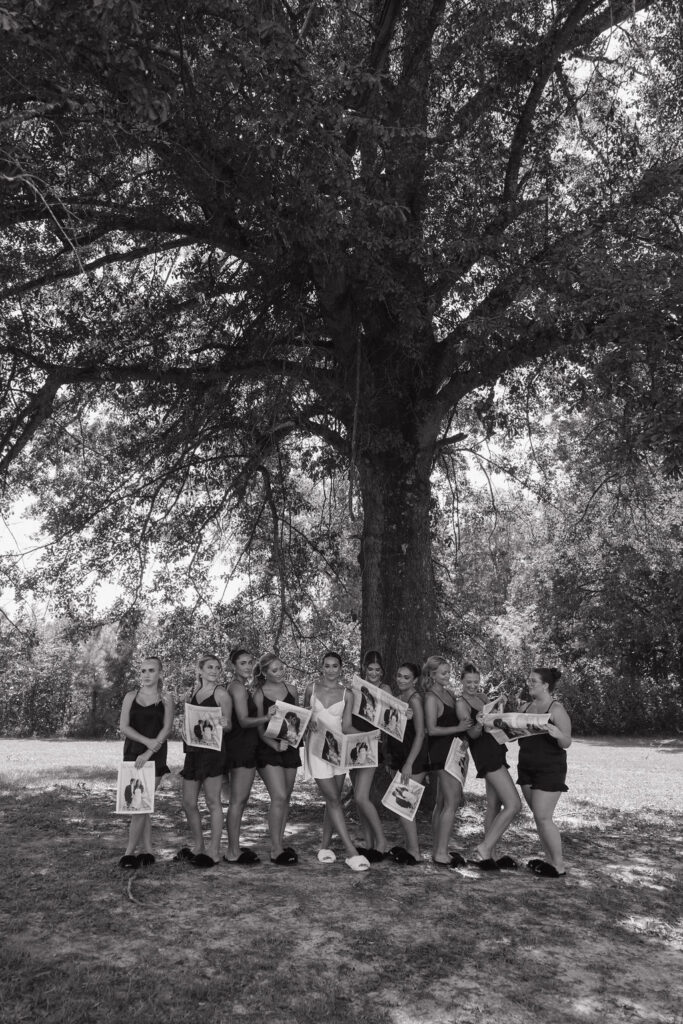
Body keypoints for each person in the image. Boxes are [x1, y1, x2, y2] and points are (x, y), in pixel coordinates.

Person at [303, 651, 371, 871]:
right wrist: (308, 722)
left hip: (339, 750)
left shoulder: (347, 694)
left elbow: (347, 726)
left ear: (341, 668)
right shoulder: (310, 689)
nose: (331, 670)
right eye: (327, 666)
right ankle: (351, 851)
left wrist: (368, 736)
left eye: (335, 666)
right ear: (321, 667)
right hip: (316, 749)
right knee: (333, 798)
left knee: (334, 801)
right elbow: (302, 717)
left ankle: (324, 847)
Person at [457, 662, 521, 871]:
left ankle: (490, 856)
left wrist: (501, 711)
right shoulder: (462, 703)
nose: (473, 686)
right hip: (485, 754)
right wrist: (478, 722)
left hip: (497, 749)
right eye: (469, 682)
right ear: (461, 681)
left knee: (495, 805)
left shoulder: (483, 697)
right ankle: (485, 848)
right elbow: (472, 734)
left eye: (476, 681)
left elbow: (495, 722)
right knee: (514, 804)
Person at [176, 654, 232, 868]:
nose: (214, 671)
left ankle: (214, 851)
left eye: (217, 668)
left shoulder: (222, 694)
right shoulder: (194, 692)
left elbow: (230, 726)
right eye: (210, 667)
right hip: (193, 753)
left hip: (213, 754)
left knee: (212, 802)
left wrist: (223, 723)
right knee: (188, 802)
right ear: (199, 670)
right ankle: (198, 847)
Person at [118, 656, 173, 869]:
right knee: (142, 805)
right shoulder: (130, 696)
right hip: (133, 754)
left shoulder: (166, 698)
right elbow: (124, 726)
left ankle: (129, 853)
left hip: (155, 756)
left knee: (140, 804)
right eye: (143, 671)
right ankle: (148, 851)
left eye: (151, 670)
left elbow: (166, 729)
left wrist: (149, 751)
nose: (146, 675)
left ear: (160, 673)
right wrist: (145, 743)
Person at [517, 666, 572, 878]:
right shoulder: (524, 708)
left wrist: (558, 733)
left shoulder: (556, 709)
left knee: (543, 816)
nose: (529, 684)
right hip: (526, 767)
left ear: (545, 685)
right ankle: (548, 861)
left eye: (533, 681)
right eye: (528, 680)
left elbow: (566, 742)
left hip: (550, 769)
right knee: (538, 817)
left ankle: (558, 866)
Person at [423, 655, 471, 868]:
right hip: (442, 753)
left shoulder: (450, 695)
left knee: (442, 803)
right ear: (432, 675)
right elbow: (431, 729)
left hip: (454, 751)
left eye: (449, 672)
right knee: (451, 803)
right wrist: (459, 729)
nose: (448, 676)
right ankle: (441, 853)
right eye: (443, 673)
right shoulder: (431, 698)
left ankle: (438, 848)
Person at [253, 652, 301, 865]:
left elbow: (296, 721)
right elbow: (258, 729)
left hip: (289, 748)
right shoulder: (259, 694)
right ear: (264, 673)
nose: (280, 672)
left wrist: (293, 738)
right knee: (279, 796)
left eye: (282, 668)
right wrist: (274, 744)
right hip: (268, 750)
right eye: (274, 670)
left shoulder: (292, 690)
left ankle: (279, 842)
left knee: (286, 797)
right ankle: (275, 850)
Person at [383, 662, 429, 865]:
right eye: (399, 676)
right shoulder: (398, 698)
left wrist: (409, 764)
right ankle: (409, 847)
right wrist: (391, 759)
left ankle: (415, 852)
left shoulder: (415, 700)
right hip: (399, 758)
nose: (401, 680)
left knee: (403, 806)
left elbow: (420, 734)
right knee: (400, 805)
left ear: (416, 680)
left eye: (406, 677)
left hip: (413, 759)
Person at [223, 648, 264, 864]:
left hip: (245, 747)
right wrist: (268, 717)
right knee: (237, 802)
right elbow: (244, 720)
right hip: (240, 749)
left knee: (240, 800)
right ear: (233, 666)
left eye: (250, 662)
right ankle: (232, 851)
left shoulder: (240, 686)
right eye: (242, 663)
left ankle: (234, 847)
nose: (247, 666)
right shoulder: (237, 688)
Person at [349, 651, 389, 862]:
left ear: (382, 671)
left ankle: (381, 842)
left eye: (378, 670)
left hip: (372, 745)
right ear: (364, 668)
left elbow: (393, 718)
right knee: (359, 798)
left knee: (361, 797)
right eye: (370, 669)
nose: (373, 673)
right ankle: (368, 842)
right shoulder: (355, 688)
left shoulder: (384, 689)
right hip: (353, 743)